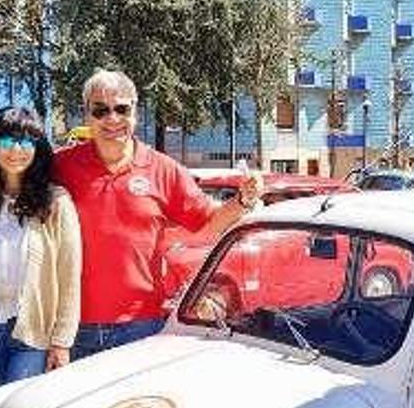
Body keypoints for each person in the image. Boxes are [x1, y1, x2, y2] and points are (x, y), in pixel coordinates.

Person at [52, 69, 262, 361]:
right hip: (72, 328)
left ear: (135, 112)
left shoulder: (163, 169)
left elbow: (208, 225)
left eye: (121, 109)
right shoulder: (60, 166)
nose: (112, 119)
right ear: (87, 115)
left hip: (142, 327)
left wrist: (242, 200)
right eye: (100, 110)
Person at [0, 106, 81, 384]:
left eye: (26, 142)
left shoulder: (56, 203)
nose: (16, 150)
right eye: (7, 141)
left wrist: (62, 342)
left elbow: (69, 276)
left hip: (32, 335)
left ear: (37, 148)